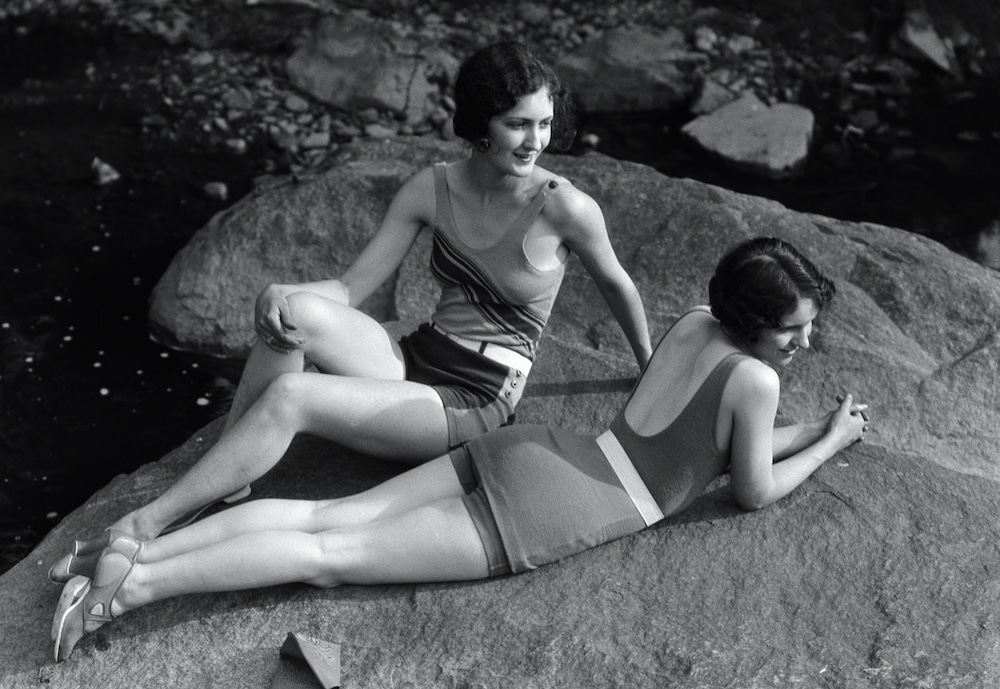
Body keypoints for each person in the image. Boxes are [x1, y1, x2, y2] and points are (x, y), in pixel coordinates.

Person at [52, 236, 870, 662]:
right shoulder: (755, 382)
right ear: (756, 320)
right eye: (793, 326)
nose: (804, 339)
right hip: (565, 505)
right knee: (330, 551)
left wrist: (806, 429)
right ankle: (127, 592)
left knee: (326, 512)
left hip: (538, 447)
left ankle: (131, 544)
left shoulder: (694, 320)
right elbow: (752, 487)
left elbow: (726, 445)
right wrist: (830, 441)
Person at [47, 40, 652, 582]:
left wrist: (649, 365)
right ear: (480, 124)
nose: (536, 140)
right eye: (518, 124)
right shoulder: (432, 187)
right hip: (415, 360)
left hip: (475, 400)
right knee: (293, 317)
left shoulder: (564, 208)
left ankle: (142, 527)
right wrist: (280, 292)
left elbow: (618, 285)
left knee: (293, 398)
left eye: (544, 123)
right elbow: (350, 285)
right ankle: (228, 479)